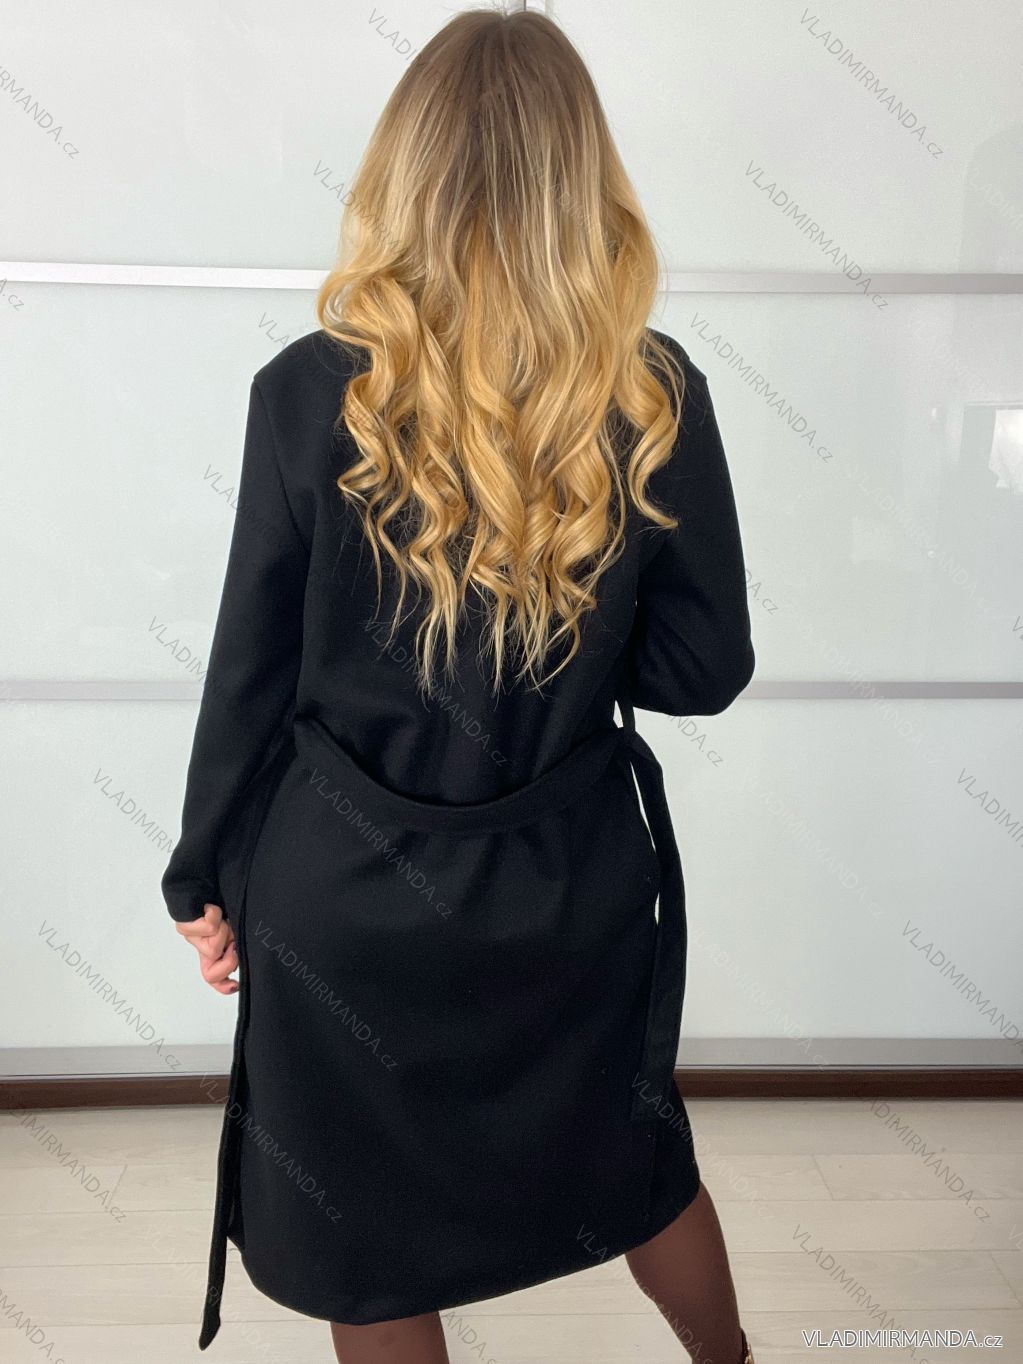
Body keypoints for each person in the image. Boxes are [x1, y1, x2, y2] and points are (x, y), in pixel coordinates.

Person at [162, 9, 756, 1363]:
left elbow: (250, 673)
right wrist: (573, 637)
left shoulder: (306, 393)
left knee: (368, 1243)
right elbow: (704, 667)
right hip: (567, 889)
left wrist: (200, 875)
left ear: (406, 170)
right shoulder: (652, 393)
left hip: (348, 901)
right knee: (638, 1160)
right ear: (581, 180)